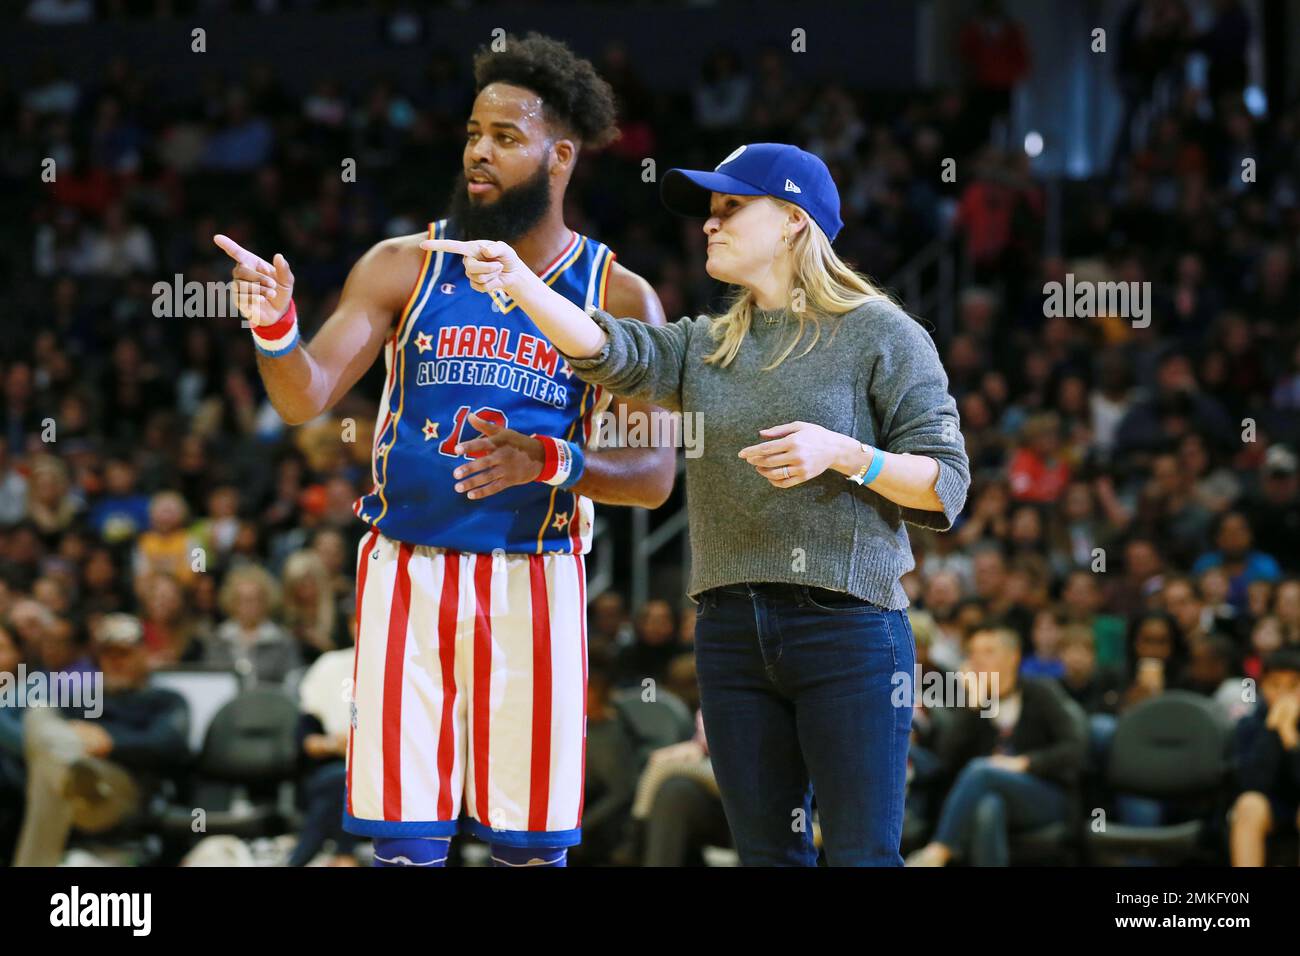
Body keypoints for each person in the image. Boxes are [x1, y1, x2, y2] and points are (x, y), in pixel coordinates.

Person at [426, 140, 971, 865]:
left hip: (849, 633)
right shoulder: (707, 344)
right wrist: (522, 282)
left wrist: (846, 454)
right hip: (729, 634)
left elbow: (946, 482)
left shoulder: (883, 333)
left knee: (861, 856)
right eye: (710, 211)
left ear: (793, 222)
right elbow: (607, 348)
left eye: (731, 208)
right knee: (766, 857)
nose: (709, 225)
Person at [215, 33, 674, 868]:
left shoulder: (617, 292)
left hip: (534, 575)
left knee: (530, 849)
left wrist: (553, 461)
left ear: (559, 154)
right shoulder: (405, 263)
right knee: (401, 843)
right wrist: (275, 323)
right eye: (473, 132)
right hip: (406, 569)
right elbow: (302, 395)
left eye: (505, 136)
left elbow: (652, 477)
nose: (480, 152)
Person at [12, 613, 189, 867]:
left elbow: (170, 745)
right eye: (109, 654)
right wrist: (79, 742)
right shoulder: (84, 699)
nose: (116, 661)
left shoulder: (164, 699)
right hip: (72, 780)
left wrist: (110, 742)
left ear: (143, 654)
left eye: (124, 653)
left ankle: (68, 761)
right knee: (38, 714)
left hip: (124, 788)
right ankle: (69, 761)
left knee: (51, 770)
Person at [906, 626, 1085, 867]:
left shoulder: (1041, 692)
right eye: (973, 652)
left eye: (989, 651)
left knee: (983, 769)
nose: (978, 659)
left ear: (1013, 656)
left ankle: (939, 849)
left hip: (1046, 794)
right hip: (992, 795)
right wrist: (973, 708)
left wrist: (1023, 763)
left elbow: (1075, 750)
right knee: (988, 807)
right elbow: (945, 761)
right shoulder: (971, 701)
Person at [1228, 649, 1300, 866]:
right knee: (1249, 804)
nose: (1284, 694)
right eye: (1275, 685)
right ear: (1262, 687)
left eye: (1294, 685)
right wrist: (1272, 730)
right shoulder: (1249, 725)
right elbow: (1252, 783)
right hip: (1269, 806)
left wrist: (1290, 739)